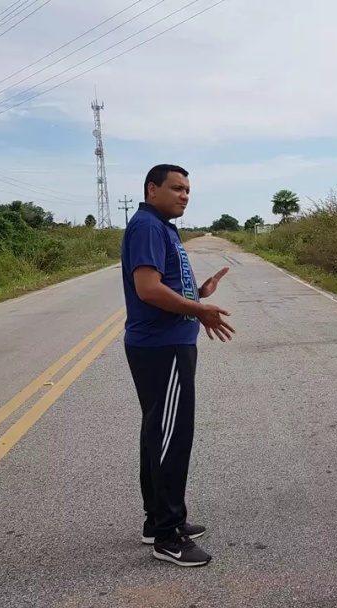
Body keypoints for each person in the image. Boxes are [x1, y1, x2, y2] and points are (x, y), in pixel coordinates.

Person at [120, 163, 236, 567]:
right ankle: (168, 536)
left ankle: (159, 521)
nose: (184, 195)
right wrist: (199, 311)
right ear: (152, 189)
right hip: (162, 345)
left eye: (188, 189)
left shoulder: (161, 226)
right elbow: (148, 289)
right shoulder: (149, 226)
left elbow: (165, 284)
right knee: (171, 435)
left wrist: (198, 293)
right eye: (176, 188)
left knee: (159, 431)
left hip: (168, 342)